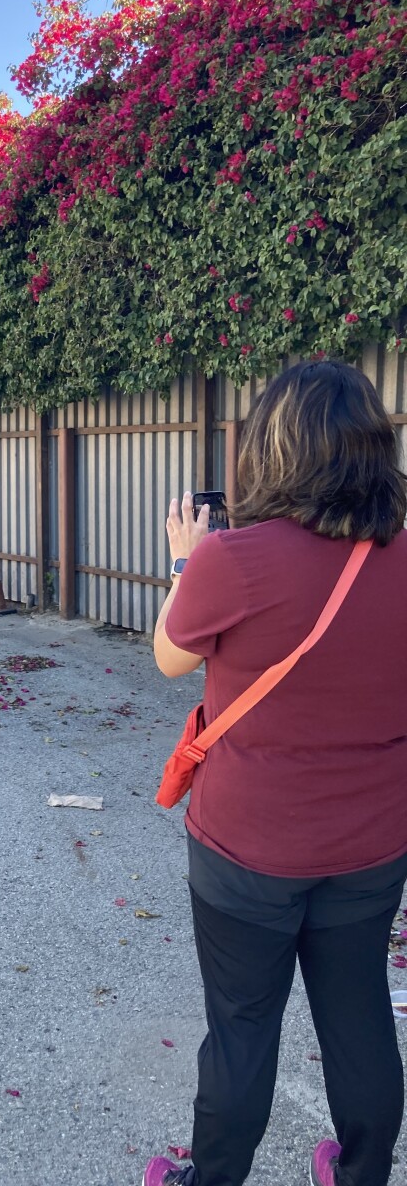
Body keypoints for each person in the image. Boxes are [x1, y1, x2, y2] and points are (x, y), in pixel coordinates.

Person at [143, 361, 407, 1186]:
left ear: (270, 451)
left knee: (243, 1027)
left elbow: (168, 661)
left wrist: (187, 560)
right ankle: (362, 1175)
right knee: (359, 1016)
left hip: (246, 849)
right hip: (372, 844)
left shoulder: (233, 559)